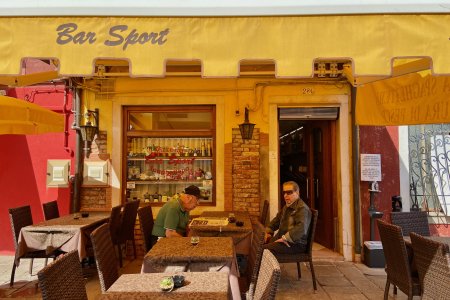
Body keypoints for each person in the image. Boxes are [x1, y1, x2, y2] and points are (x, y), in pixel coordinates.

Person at [264, 181, 312, 255]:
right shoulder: (287, 206)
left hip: (295, 244)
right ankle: (265, 266)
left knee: (263, 250)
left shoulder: (302, 208)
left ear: (297, 192)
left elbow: (301, 228)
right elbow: (277, 220)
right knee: (259, 244)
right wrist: (268, 231)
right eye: (284, 193)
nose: (285, 195)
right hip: (283, 239)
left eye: (289, 192)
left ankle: (270, 266)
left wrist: (285, 238)